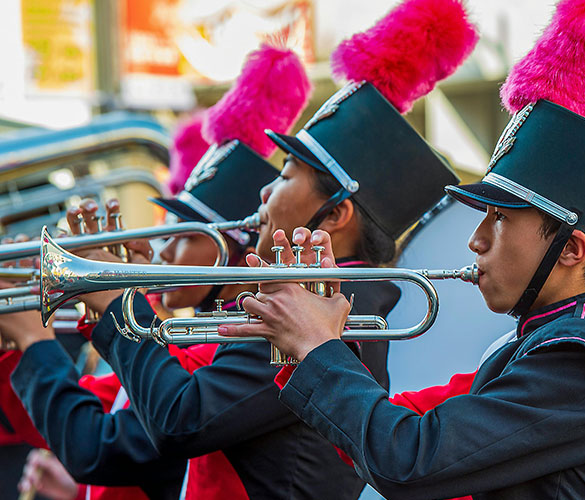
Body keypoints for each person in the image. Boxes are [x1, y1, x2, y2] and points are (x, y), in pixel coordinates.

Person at [7, 1, 475, 497]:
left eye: (286, 177)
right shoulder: (311, 296)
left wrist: (116, 307)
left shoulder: (317, 303)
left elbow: (177, 421)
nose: (264, 194)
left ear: (335, 215)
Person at [221, 0, 585, 498]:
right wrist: (329, 340)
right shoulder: (555, 337)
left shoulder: (580, 357)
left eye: (498, 219)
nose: (476, 240)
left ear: (571, 250)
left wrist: (316, 346)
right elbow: (392, 431)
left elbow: (409, 461)